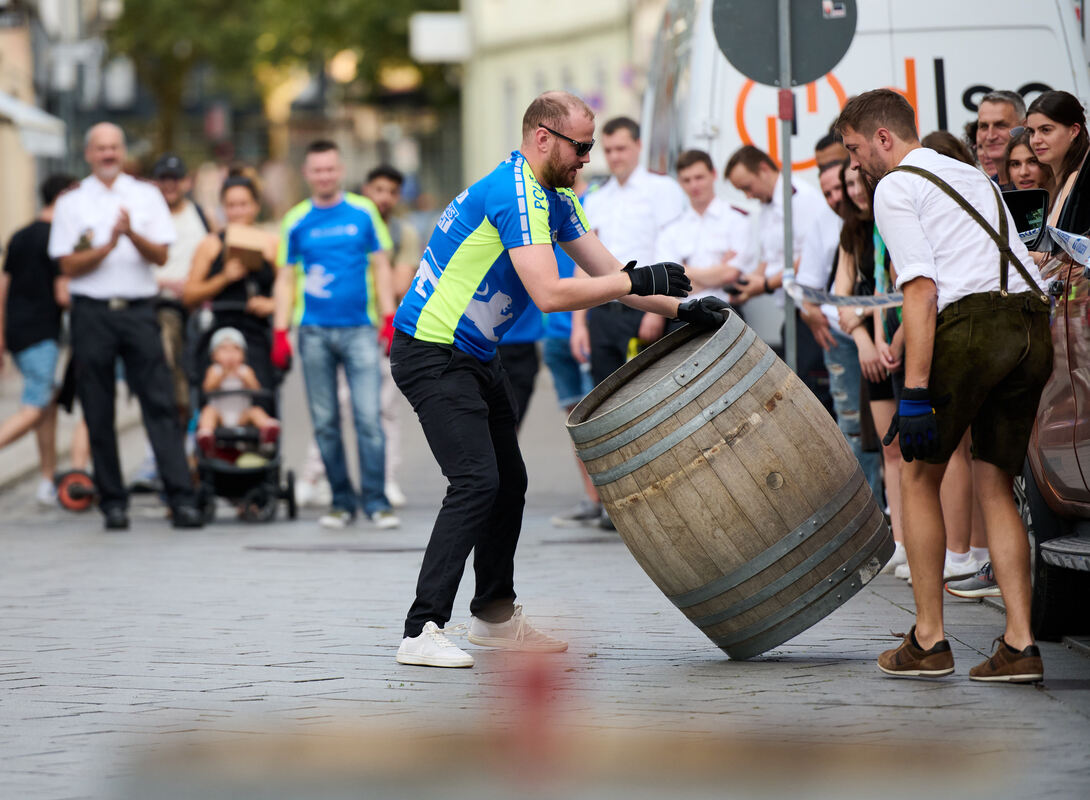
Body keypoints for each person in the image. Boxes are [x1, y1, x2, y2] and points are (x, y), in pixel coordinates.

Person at [389, 90, 722, 669]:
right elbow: (551, 294)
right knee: (475, 481)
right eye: (581, 146)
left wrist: (679, 309)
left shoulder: (556, 193)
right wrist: (635, 282)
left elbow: (609, 274)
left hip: (474, 353)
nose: (587, 159)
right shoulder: (515, 192)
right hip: (432, 350)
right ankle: (421, 630)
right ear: (543, 136)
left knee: (508, 481)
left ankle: (493, 618)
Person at [838, 88, 1051, 682]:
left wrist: (913, 391)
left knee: (917, 474)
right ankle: (1019, 643)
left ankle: (929, 640)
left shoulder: (896, 186)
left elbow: (923, 290)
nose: (855, 164)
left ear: (884, 138)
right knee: (995, 483)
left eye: (856, 150)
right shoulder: (968, 175)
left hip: (974, 325)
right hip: (1031, 322)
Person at [47, 123, 202, 530]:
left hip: (138, 310)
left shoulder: (146, 196)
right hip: (91, 313)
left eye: (114, 147)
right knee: (97, 407)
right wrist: (107, 245)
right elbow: (67, 264)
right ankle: (113, 502)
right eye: (101, 148)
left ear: (122, 150)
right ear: (88, 154)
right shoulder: (72, 202)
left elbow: (161, 254)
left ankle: (180, 497)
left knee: (161, 403)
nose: (108, 154)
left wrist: (130, 233)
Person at [272, 140, 399, 530]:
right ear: (306, 174)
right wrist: (280, 332)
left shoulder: (363, 213)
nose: (324, 176)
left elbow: (381, 265)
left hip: (360, 330)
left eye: (331, 169)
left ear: (340, 171)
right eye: (317, 170)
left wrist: (389, 316)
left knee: (368, 417)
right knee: (325, 421)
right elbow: (283, 279)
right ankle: (341, 502)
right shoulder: (295, 220)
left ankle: (376, 501)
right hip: (312, 332)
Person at [571, 116, 686, 388]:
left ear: (638, 145)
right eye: (608, 150)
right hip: (602, 311)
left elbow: (671, 251)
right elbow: (585, 262)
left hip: (644, 306)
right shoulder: (598, 198)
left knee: (649, 395)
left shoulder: (662, 189)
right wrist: (579, 324)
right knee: (603, 398)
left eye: (621, 148)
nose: (614, 156)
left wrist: (657, 312)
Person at [831, 161, 905, 573]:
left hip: (897, 337)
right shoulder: (852, 231)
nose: (858, 191)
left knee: (913, 450)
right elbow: (840, 297)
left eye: (862, 182)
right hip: (870, 346)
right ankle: (899, 539)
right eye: (850, 185)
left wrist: (861, 320)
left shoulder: (896, 218)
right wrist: (862, 340)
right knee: (888, 449)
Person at [726, 144, 836, 406]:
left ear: (764, 169)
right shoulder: (768, 205)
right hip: (793, 311)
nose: (748, 195)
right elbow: (772, 257)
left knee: (816, 393)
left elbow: (809, 256)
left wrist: (764, 284)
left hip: (813, 310)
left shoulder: (800, 200)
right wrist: (751, 281)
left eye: (747, 186)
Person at [0, 174, 76, 506]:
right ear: (64, 197)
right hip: (41, 335)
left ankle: (47, 479)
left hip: (18, 334)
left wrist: (1, 338)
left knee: (48, 404)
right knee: (34, 406)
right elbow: (63, 295)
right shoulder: (61, 239)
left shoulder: (19, 235)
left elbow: (3, 289)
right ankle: (46, 479)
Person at [182, 171, 278, 408]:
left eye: (244, 204)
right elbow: (189, 295)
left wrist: (271, 304)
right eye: (231, 205)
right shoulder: (211, 245)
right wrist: (223, 278)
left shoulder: (272, 244)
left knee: (261, 398)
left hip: (256, 333)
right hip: (217, 330)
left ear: (255, 207)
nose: (238, 211)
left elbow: (291, 291)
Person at [363, 164, 422, 508]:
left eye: (391, 191)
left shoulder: (403, 232)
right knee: (338, 406)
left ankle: (386, 479)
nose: (384, 197)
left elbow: (402, 283)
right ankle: (317, 476)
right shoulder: (353, 220)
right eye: (378, 189)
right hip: (349, 323)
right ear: (366, 189)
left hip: (385, 328)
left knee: (385, 409)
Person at [654, 149, 753, 310]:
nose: (694, 185)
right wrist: (719, 272)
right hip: (683, 314)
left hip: (725, 311)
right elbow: (669, 284)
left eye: (699, 178)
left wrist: (684, 270)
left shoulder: (737, 220)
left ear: (714, 174)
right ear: (679, 182)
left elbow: (731, 275)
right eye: (687, 180)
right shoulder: (671, 229)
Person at [196, 327, 279, 452]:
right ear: (214, 355)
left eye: (236, 349)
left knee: (256, 411)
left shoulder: (245, 370)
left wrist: (246, 379)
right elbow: (207, 388)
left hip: (242, 415)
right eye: (224, 349)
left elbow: (256, 389)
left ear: (243, 355)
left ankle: (267, 428)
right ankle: (206, 434)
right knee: (208, 412)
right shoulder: (214, 370)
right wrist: (222, 375)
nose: (230, 354)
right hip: (220, 415)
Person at [1026, 90, 1089, 222]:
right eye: (1031, 132)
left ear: (1074, 131)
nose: (1036, 140)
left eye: (1046, 130)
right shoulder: (1047, 187)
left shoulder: (1081, 181)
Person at [976, 90, 1026, 183]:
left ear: (1024, 126)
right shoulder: (985, 189)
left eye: (1001, 125)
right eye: (984, 126)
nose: (990, 136)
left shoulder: (1042, 184)